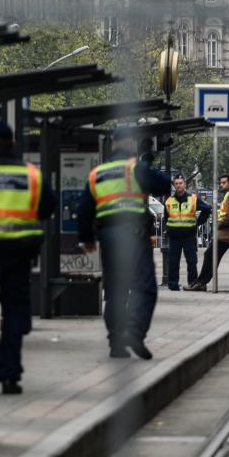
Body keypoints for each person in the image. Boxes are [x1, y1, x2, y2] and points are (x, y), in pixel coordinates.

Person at [0, 121, 55, 394]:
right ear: (13, 143)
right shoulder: (32, 174)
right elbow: (47, 208)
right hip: (19, 253)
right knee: (14, 311)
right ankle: (10, 374)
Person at [78, 127, 170, 359]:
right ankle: (135, 332)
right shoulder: (135, 168)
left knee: (115, 290)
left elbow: (84, 210)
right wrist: (146, 163)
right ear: (129, 142)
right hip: (134, 236)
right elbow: (164, 185)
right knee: (144, 286)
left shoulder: (97, 173)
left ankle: (116, 343)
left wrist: (86, 239)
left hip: (108, 236)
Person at [187, 174, 229, 290]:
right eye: (220, 183)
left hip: (227, 233)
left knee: (210, 255)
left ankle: (201, 283)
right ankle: (200, 282)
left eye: (224, 183)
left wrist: (219, 226)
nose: (221, 185)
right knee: (211, 256)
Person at [160, 176, 209, 290]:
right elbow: (166, 218)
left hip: (188, 236)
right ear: (174, 186)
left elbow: (206, 209)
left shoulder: (193, 199)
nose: (178, 185)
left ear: (185, 185)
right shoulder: (169, 201)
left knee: (192, 261)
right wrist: (169, 229)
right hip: (174, 237)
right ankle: (173, 285)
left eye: (180, 183)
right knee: (173, 262)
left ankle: (192, 283)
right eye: (176, 183)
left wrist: (198, 222)